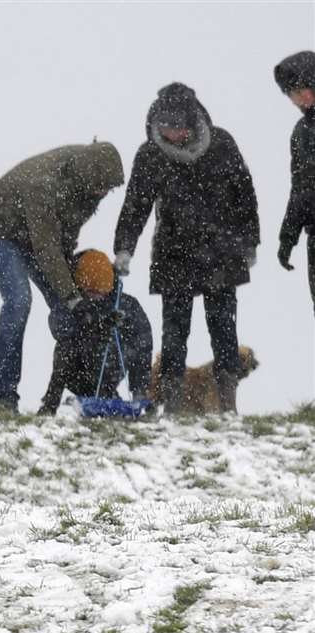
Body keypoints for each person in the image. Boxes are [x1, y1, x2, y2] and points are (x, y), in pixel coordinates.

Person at [114, 83, 259, 414]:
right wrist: (124, 248)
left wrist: (250, 239)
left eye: (178, 126)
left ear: (193, 122)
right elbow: (136, 205)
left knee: (224, 329)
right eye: (165, 126)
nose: (172, 133)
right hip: (174, 253)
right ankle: (174, 405)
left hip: (222, 251)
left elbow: (244, 193)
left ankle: (227, 405)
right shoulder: (150, 154)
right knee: (174, 333)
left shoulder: (222, 144)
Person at [0, 142, 126, 414]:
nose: (104, 192)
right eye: (101, 186)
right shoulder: (42, 185)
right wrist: (72, 297)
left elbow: (65, 238)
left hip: (37, 235)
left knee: (71, 307)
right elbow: (46, 247)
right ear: (87, 177)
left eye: (108, 188)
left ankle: (89, 390)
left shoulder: (89, 186)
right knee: (19, 301)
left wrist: (77, 298)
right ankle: (4, 399)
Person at [37, 250, 153, 415]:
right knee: (65, 348)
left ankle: (110, 395)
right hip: (77, 372)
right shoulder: (71, 301)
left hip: (109, 371)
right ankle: (50, 404)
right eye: (91, 292)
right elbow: (59, 327)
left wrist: (139, 389)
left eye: (101, 292)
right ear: (81, 286)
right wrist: (95, 324)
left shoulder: (127, 306)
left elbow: (143, 345)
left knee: (131, 345)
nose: (96, 297)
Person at [274, 51, 315, 310]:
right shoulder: (302, 132)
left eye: (304, 89)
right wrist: (288, 236)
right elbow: (301, 189)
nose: (301, 98)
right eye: (293, 93)